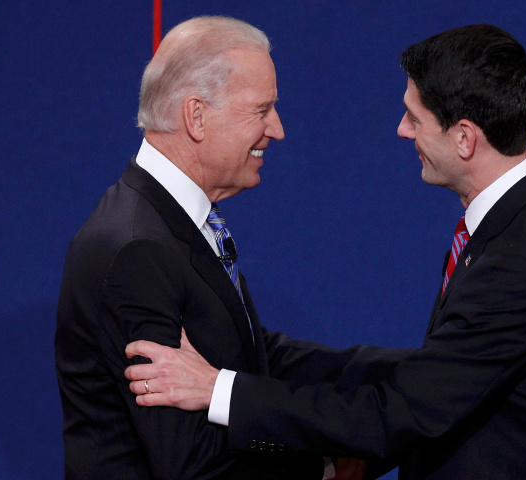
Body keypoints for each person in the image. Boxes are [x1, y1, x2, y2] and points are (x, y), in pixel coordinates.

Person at [124, 24, 526, 480]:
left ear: (464, 137)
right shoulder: (520, 222)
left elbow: (402, 412)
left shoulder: (519, 258)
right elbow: (442, 382)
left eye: (415, 118)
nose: (401, 131)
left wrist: (216, 390)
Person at [55, 16, 336, 479]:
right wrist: (322, 466)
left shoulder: (167, 220)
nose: (278, 129)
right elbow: (190, 464)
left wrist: (407, 376)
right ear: (196, 116)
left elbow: (250, 354)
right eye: (262, 110)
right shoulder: (137, 248)